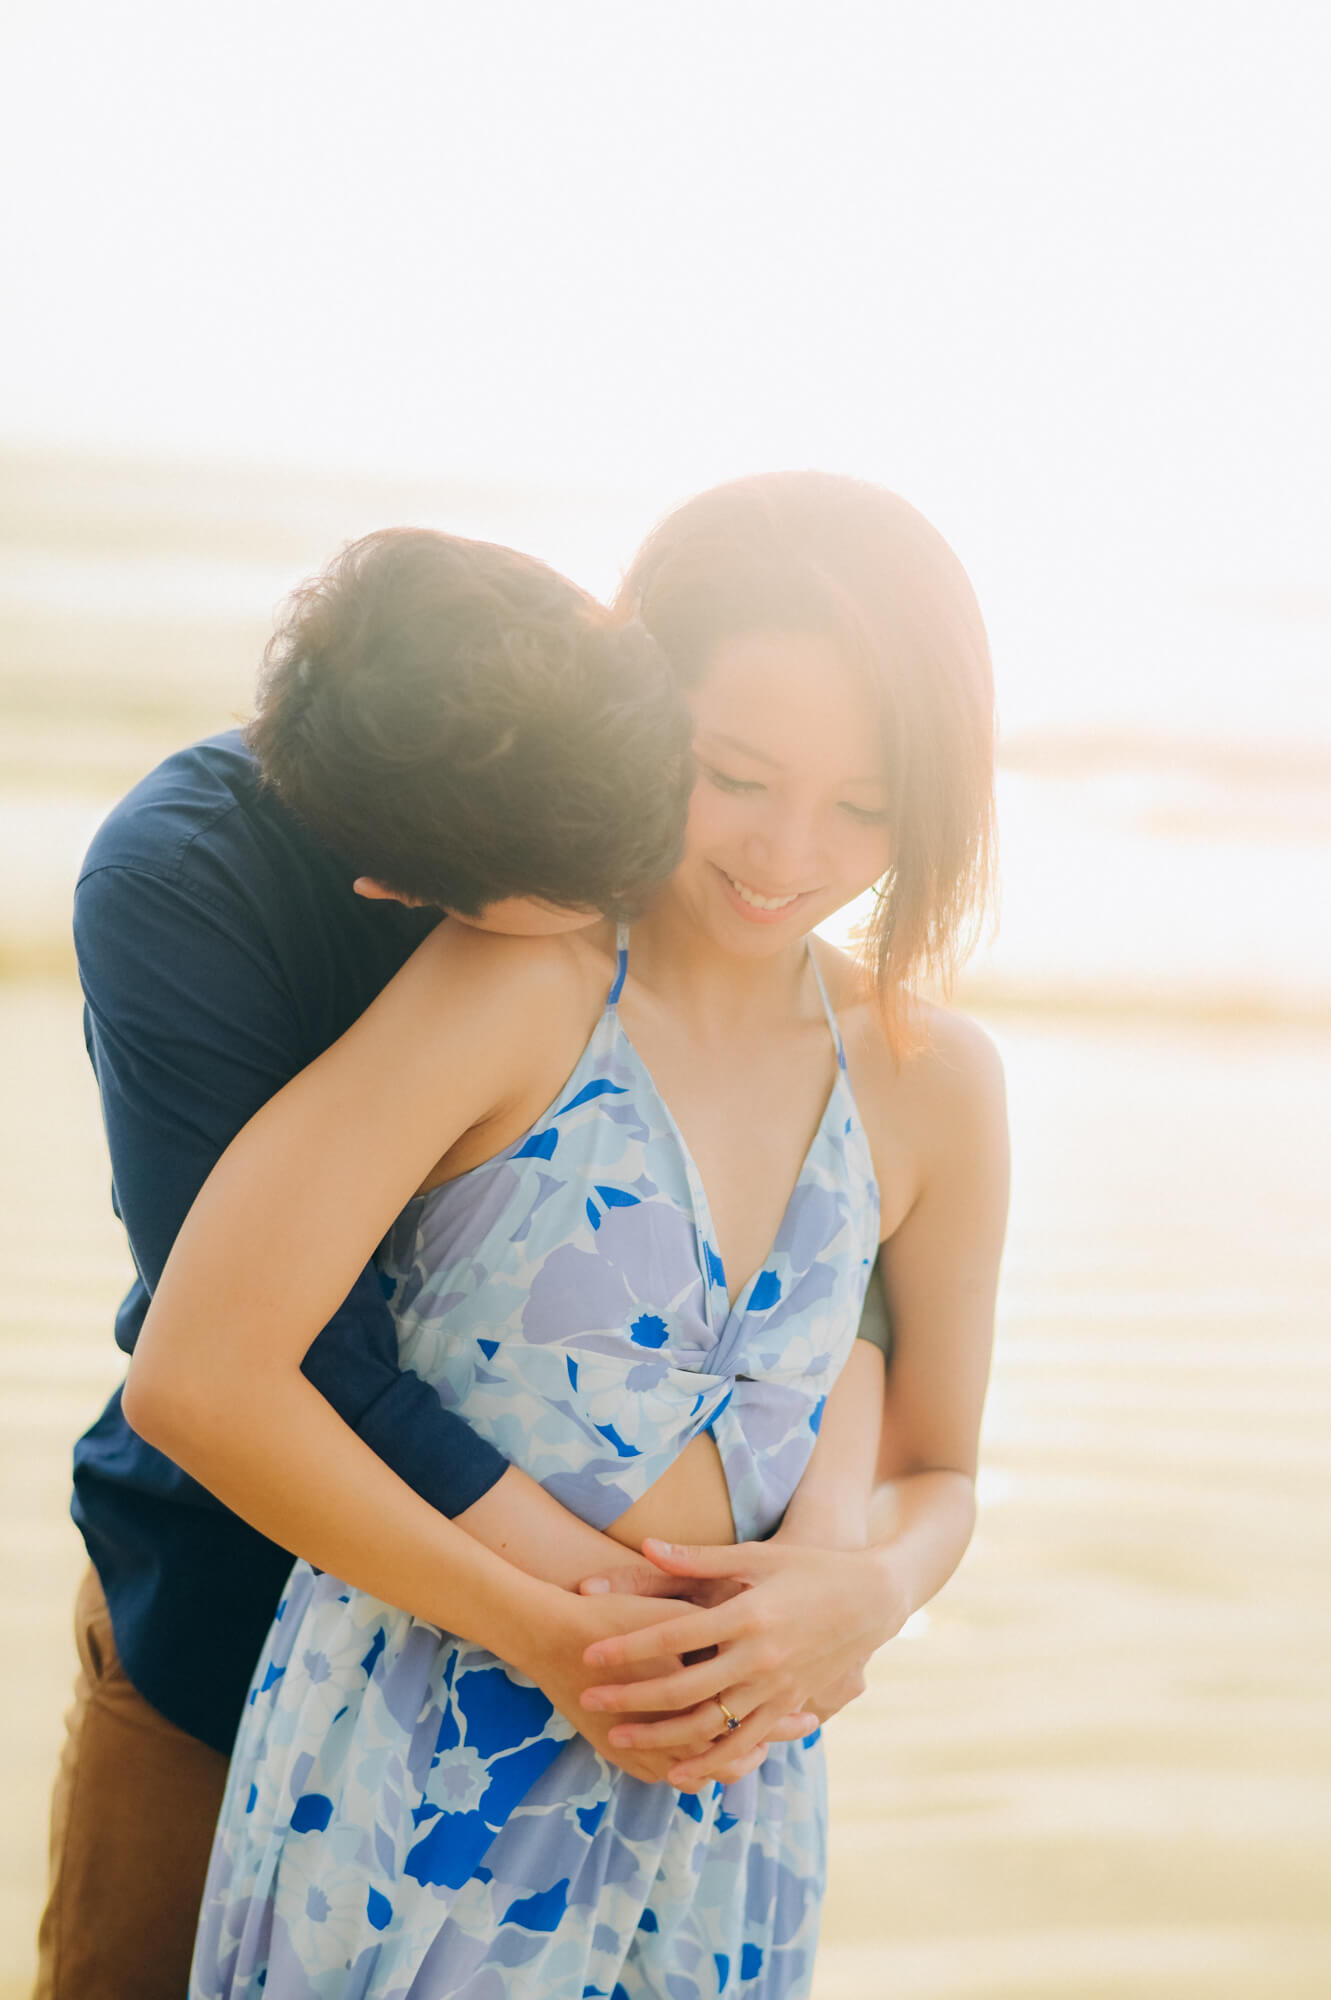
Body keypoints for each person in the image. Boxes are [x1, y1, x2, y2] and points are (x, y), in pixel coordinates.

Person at [125, 471, 1009, 1997]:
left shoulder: (938, 1085)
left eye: (864, 807)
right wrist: (549, 1638)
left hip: (726, 1822)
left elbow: (938, 1472)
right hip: (417, 1768)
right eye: (737, 775)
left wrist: (870, 1593)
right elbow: (200, 1378)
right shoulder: (513, 982)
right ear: (645, 709)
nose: (788, 853)